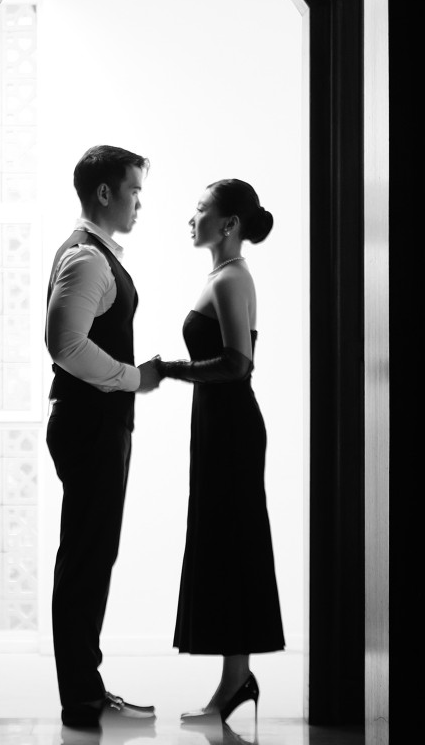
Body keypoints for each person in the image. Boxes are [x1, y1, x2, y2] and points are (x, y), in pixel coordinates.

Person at [154, 179, 285, 727]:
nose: (192, 218)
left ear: (229, 224)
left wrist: (169, 369)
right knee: (225, 543)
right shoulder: (222, 276)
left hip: (231, 426)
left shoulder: (231, 279)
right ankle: (236, 678)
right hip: (217, 424)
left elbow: (238, 363)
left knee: (233, 544)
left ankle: (235, 681)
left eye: (201, 209)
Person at [45, 145, 163, 730]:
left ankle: (86, 692)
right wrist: (134, 379)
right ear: (104, 193)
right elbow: (65, 345)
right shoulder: (89, 259)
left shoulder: (95, 254)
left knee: (91, 556)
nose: (140, 203)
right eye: (135, 190)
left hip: (95, 422)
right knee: (87, 559)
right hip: (91, 424)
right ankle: (83, 699)